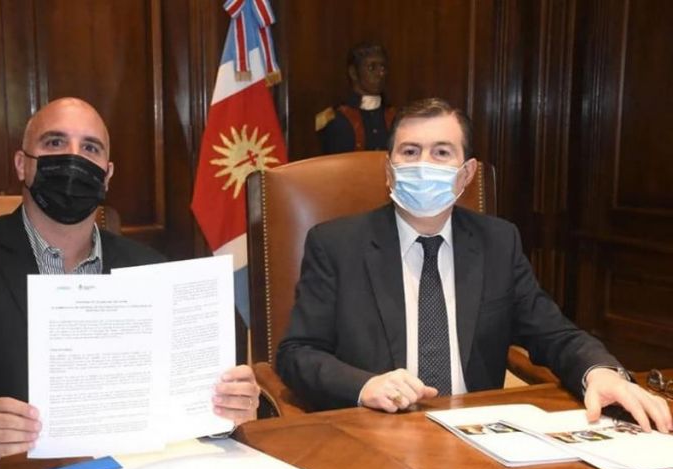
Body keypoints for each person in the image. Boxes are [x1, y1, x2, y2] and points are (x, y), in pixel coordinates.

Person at [0, 98, 260, 469]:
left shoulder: (151, 270)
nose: (73, 159)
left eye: (90, 148)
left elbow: (180, 406)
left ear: (107, 175)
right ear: (22, 164)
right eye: (55, 142)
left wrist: (225, 408)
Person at [277, 98, 672, 435]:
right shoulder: (336, 245)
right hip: (376, 433)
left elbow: (554, 333)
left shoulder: (498, 242)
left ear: (465, 173)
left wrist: (599, 372)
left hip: (476, 435)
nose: (423, 164)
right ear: (389, 169)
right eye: (410, 152)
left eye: (441, 153)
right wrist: (364, 386)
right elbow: (297, 353)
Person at [315, 42, 396, 154]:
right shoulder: (335, 118)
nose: (380, 73)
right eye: (371, 67)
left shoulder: (396, 117)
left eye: (383, 67)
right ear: (353, 73)